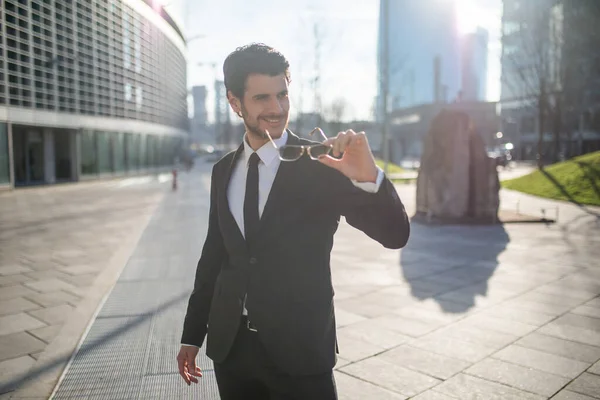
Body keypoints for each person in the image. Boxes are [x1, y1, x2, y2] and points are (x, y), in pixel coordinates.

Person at [177, 43, 410, 400]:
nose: (277, 108)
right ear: (235, 102)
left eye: (283, 95)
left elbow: (395, 235)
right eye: (262, 98)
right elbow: (214, 255)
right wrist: (192, 335)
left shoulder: (321, 164)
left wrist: (370, 179)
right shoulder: (223, 171)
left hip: (300, 353)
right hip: (232, 351)